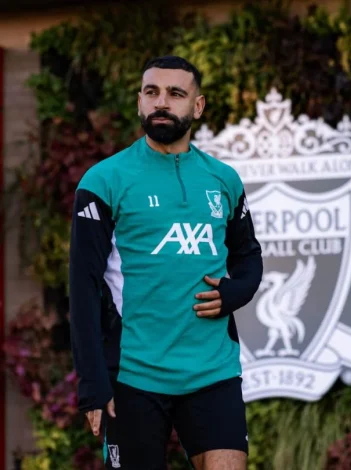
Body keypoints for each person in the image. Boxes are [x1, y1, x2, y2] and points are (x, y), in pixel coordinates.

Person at [68, 55, 263, 470]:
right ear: (139, 101)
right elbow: (83, 288)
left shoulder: (223, 179)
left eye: (175, 94)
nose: (161, 102)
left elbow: (249, 257)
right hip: (134, 376)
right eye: (151, 92)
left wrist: (236, 291)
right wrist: (92, 384)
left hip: (213, 371)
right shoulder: (103, 181)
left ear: (197, 106)